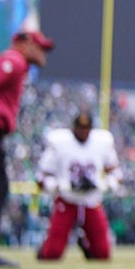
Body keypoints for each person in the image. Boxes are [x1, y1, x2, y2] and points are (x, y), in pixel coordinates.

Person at [0, 29, 53, 267]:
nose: (44, 53)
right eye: (40, 47)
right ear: (25, 43)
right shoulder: (14, 60)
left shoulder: (18, 63)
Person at [36, 112, 120, 261]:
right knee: (52, 254)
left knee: (102, 254)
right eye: (80, 128)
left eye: (86, 128)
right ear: (74, 128)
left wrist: (104, 184)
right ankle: (44, 248)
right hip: (67, 200)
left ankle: (87, 247)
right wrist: (61, 185)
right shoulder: (60, 143)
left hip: (91, 200)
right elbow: (41, 177)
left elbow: (116, 173)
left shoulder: (102, 142)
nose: (83, 132)